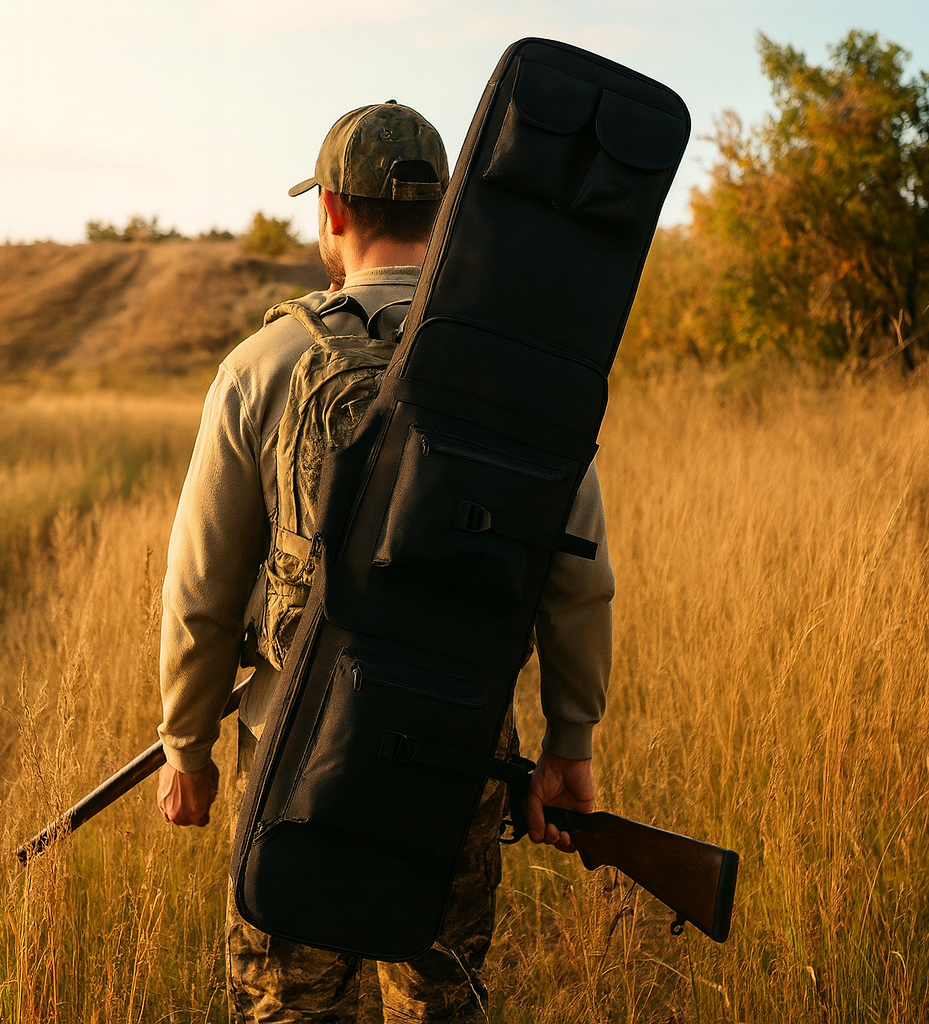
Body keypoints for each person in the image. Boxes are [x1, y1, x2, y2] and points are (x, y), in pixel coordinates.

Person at [156, 100, 615, 1023]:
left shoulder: (263, 362)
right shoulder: (516, 371)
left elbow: (201, 589)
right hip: (461, 752)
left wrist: (187, 744)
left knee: (292, 1008)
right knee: (440, 1002)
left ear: (331, 210)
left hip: (294, 754)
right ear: (445, 212)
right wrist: (570, 740)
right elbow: (577, 580)